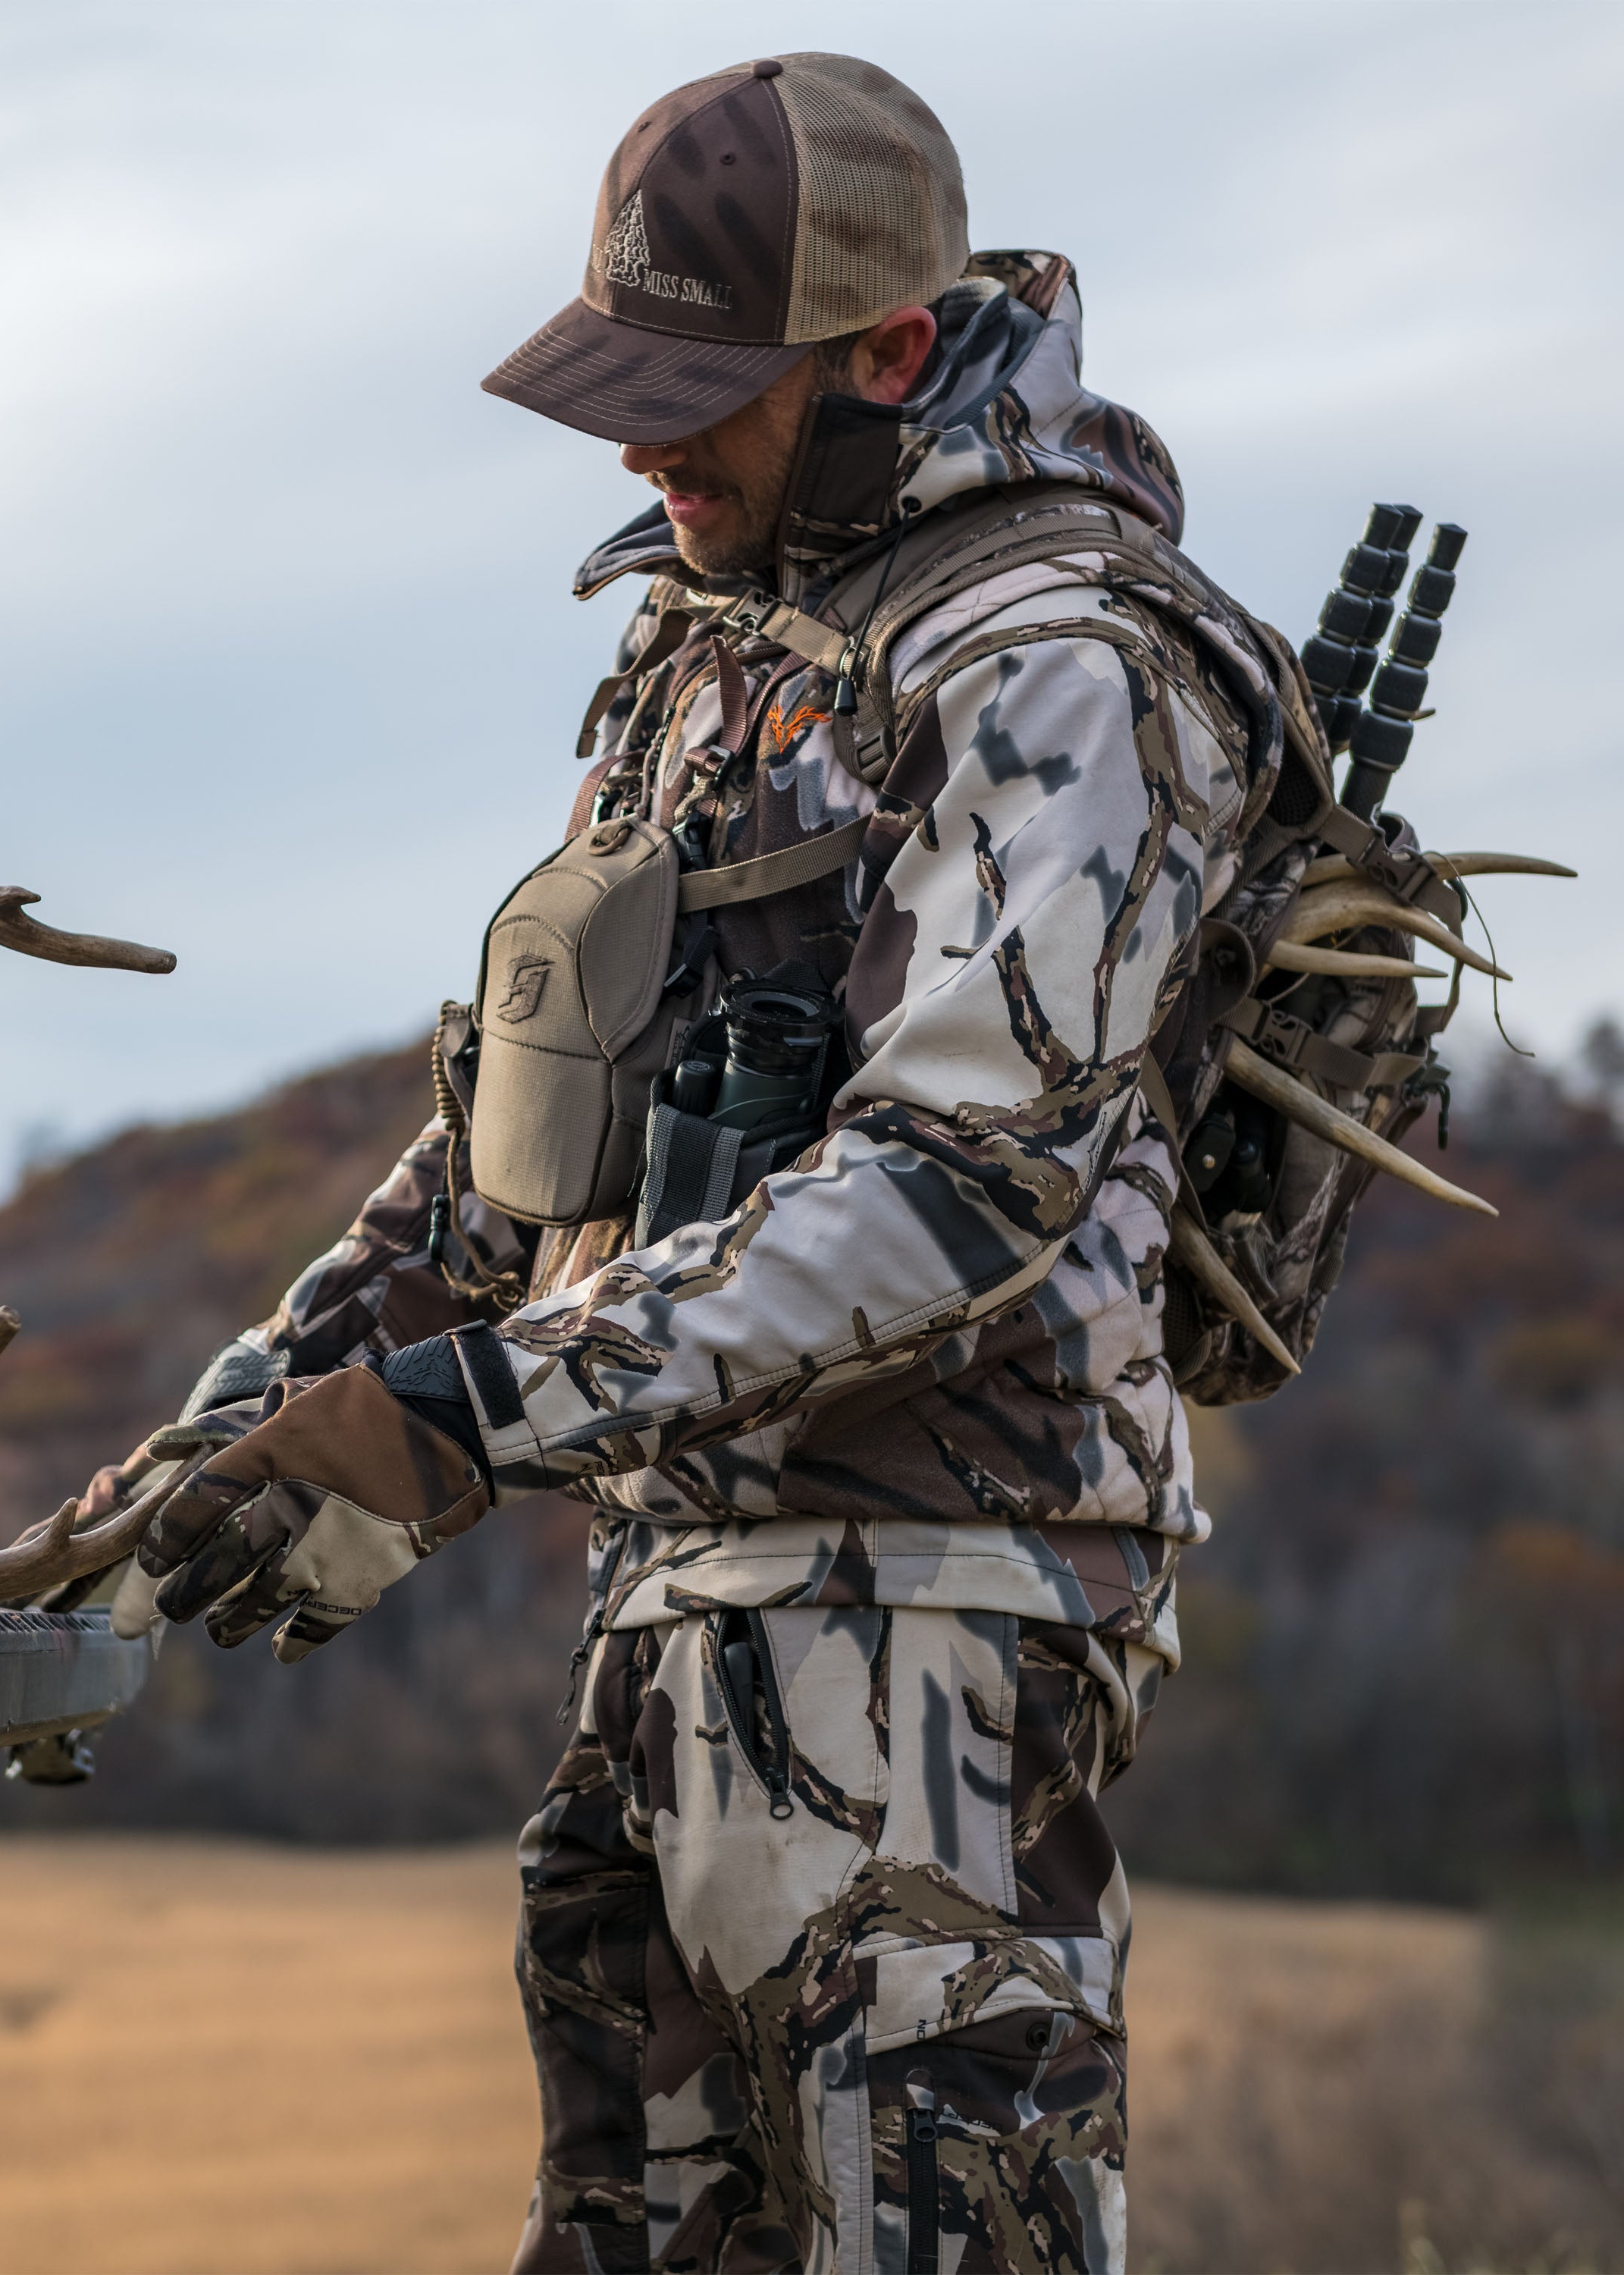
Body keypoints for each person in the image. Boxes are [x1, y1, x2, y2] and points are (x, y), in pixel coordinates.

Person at [80, 51, 1305, 2275]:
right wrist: (196, 1476)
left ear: (889, 352)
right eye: (619, 385)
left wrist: (465, 1418)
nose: (641, 445)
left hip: (934, 1631)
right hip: (672, 1617)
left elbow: (958, 1187)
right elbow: (503, 1165)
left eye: (694, 395)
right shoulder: (703, 637)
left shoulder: (1068, 666)